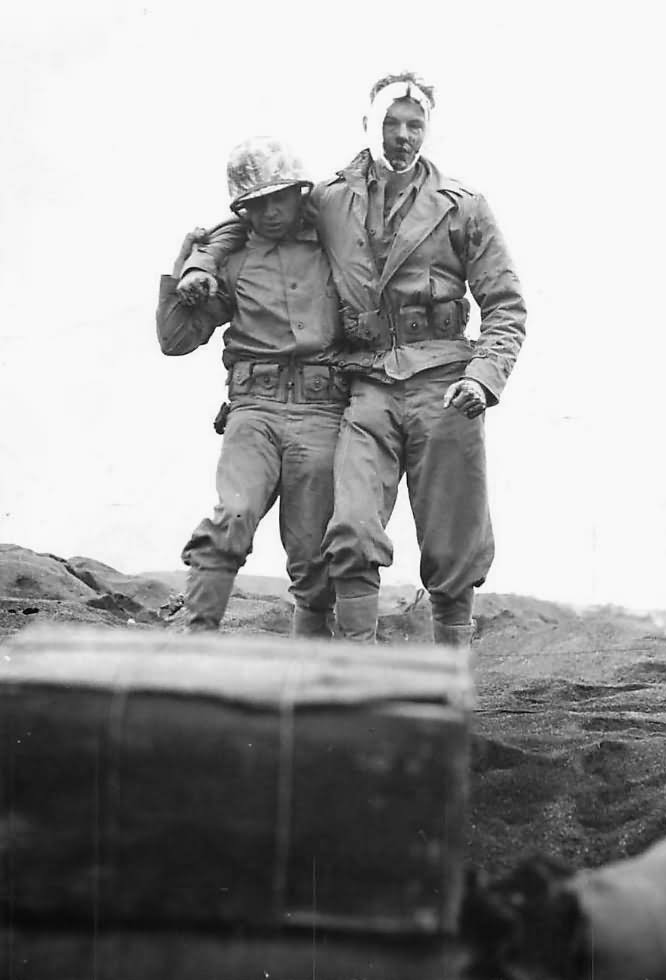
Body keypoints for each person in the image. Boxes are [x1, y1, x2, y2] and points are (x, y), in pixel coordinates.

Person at [179, 73, 526, 647]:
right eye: (391, 123)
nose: (404, 137)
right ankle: (354, 668)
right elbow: (252, 222)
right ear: (369, 125)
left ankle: (450, 672)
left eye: (416, 125)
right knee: (350, 524)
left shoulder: (463, 207)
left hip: (444, 381)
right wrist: (199, 262)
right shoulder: (330, 199)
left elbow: (506, 304)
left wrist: (484, 376)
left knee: (453, 533)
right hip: (366, 384)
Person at [157, 137, 347, 636]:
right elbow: (175, 341)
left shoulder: (336, 252)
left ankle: (311, 678)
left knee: (312, 550)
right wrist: (186, 267)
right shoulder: (234, 262)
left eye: (279, 197)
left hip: (322, 411)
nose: (270, 211)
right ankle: (198, 646)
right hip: (254, 411)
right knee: (233, 516)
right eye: (255, 203)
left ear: (300, 194)